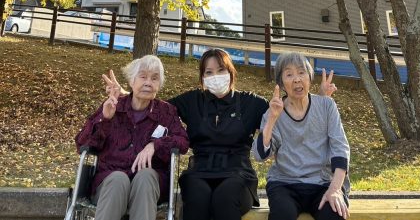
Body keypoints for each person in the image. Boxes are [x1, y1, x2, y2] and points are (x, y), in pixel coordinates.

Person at [104, 48, 337, 220]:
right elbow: (157, 106)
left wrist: (321, 100)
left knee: (224, 198)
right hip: (200, 172)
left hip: (238, 175)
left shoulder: (250, 103)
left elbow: (284, 113)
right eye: (209, 72)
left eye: (221, 70)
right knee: (197, 198)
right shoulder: (192, 101)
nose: (215, 75)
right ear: (203, 78)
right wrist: (127, 92)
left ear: (231, 72)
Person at [75, 55, 189, 220]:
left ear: (159, 84)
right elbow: (82, 143)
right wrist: (105, 119)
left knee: (146, 176)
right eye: (143, 77)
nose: (148, 82)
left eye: (154, 78)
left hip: (148, 186)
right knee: (118, 178)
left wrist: (155, 145)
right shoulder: (113, 105)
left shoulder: (166, 112)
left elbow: (183, 142)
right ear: (131, 81)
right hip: (109, 182)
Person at [252, 52, 350, 220]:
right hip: (285, 183)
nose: (296, 79)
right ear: (281, 83)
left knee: (334, 214)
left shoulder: (326, 105)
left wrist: (334, 189)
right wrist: (272, 119)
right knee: (282, 215)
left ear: (310, 78)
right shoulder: (274, 112)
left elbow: (340, 148)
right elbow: (260, 155)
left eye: (301, 72)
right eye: (289, 74)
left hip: (323, 182)